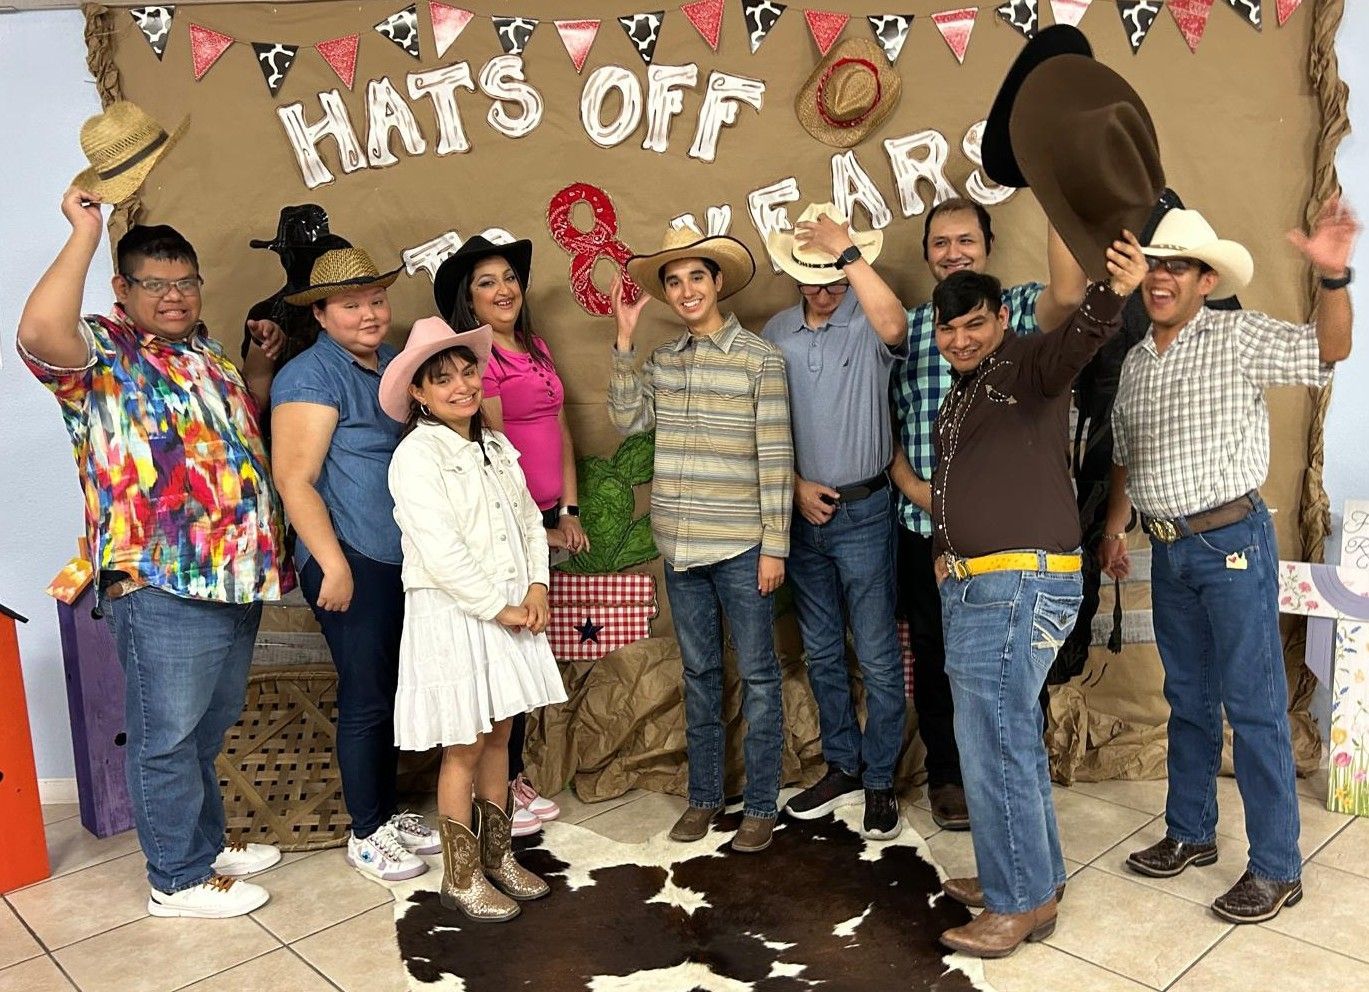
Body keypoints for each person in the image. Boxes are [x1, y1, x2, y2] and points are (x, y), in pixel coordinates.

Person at [18, 184, 287, 918]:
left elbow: (236, 438)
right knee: (166, 736)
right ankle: (177, 878)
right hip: (161, 579)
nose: (173, 297)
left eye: (184, 282)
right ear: (123, 289)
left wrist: (256, 371)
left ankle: (203, 844)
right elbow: (40, 332)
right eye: (155, 285)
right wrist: (85, 228)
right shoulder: (101, 352)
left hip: (238, 576)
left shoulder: (207, 355)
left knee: (205, 727)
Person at [1102, 201, 1359, 924]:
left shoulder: (1237, 335)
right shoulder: (1132, 365)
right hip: (1167, 547)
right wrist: (1115, 527)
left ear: (1205, 279)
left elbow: (1327, 352)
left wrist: (1333, 277)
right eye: (1153, 264)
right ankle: (1189, 833)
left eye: (1176, 266)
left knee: (1251, 708)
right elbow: (1124, 457)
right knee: (1185, 699)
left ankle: (1277, 867)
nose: (1160, 277)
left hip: (1230, 546)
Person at [934, 235, 1148, 958]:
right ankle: (1033, 878)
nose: (960, 338)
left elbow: (1082, 332)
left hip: (1015, 583)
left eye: (974, 324)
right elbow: (954, 486)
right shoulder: (964, 393)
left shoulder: (1027, 364)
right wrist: (943, 552)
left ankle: (1016, 900)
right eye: (948, 327)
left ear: (999, 320)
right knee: (1007, 737)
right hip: (981, 583)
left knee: (991, 741)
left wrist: (1113, 289)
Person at [889, 197, 1086, 830]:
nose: (953, 252)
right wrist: (909, 483)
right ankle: (950, 778)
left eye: (965, 240)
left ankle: (1012, 816)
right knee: (937, 658)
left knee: (1002, 685)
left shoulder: (1018, 308)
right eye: (941, 242)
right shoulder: (915, 324)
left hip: (1009, 543)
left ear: (987, 245)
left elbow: (1069, 294)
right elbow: (890, 408)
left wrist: (1059, 197)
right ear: (927, 254)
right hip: (927, 528)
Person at [609, 224, 793, 854]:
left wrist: (776, 545)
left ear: (717, 282)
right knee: (700, 674)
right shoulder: (664, 362)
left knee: (761, 677)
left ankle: (761, 805)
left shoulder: (759, 360)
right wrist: (625, 342)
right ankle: (705, 797)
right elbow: (631, 421)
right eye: (673, 280)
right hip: (679, 548)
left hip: (742, 545)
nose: (686, 289)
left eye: (696, 276)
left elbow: (775, 454)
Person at [380, 317, 567, 921]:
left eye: (468, 371)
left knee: (501, 733)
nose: (462, 385)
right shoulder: (416, 455)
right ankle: (460, 878)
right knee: (464, 741)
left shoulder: (494, 445)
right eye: (443, 379)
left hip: (510, 608)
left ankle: (497, 854)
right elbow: (440, 549)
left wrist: (536, 583)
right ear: (419, 392)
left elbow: (526, 521)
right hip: (456, 613)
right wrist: (499, 605)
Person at [270, 246, 439, 882]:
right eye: (351, 304)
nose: (369, 314)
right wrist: (332, 565)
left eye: (375, 300)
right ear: (320, 312)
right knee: (367, 695)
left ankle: (387, 814)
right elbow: (295, 478)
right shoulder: (310, 377)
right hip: (352, 556)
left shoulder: (396, 364)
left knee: (391, 689)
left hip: (402, 555)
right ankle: (365, 831)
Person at [760, 204, 910, 839]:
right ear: (793, 278)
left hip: (867, 509)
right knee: (821, 650)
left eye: (833, 277)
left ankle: (880, 779)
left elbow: (899, 324)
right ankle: (842, 764)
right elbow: (762, 424)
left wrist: (847, 252)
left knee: (876, 654)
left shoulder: (868, 319)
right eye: (810, 278)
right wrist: (792, 488)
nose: (822, 290)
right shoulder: (775, 332)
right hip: (802, 515)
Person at [433, 235, 586, 834]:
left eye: (508, 278)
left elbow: (562, 427)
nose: (504, 290)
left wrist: (566, 510)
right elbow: (495, 455)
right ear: (469, 302)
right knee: (501, 662)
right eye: (486, 283)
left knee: (525, 662)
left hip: (545, 519)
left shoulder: (537, 346)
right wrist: (530, 536)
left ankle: (511, 776)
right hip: (509, 531)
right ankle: (505, 781)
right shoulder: (480, 364)